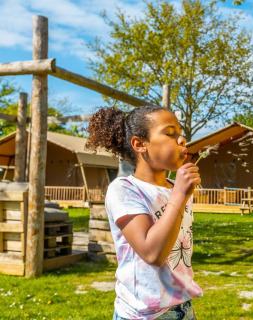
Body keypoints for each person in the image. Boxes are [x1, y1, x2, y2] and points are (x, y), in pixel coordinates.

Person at [85, 105, 202, 320]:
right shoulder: (124, 189)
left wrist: (179, 192)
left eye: (181, 133)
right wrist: (179, 195)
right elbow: (152, 254)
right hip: (142, 315)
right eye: (170, 133)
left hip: (183, 309)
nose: (182, 139)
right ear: (140, 144)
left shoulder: (176, 189)